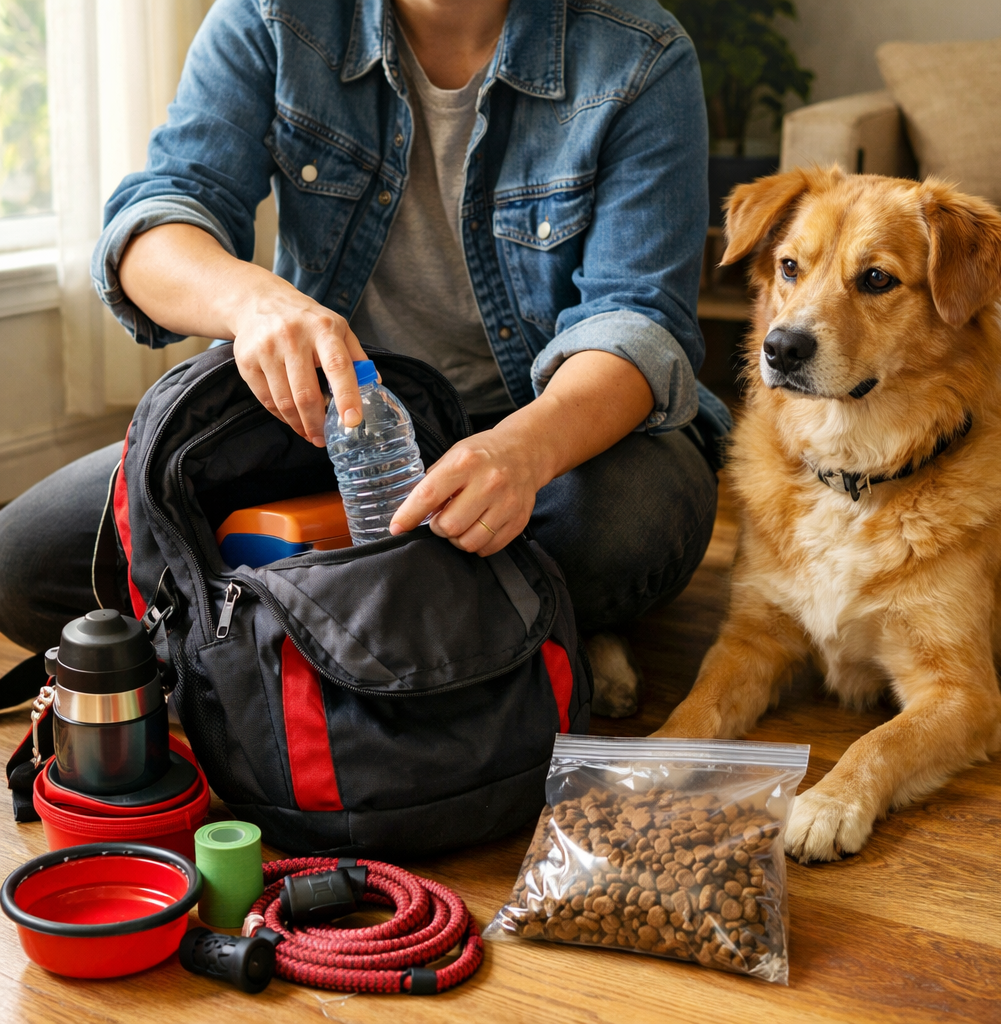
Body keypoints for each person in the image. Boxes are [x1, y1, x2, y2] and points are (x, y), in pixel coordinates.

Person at [0, 0, 728, 708]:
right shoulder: (272, 15)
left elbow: (636, 322)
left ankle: (291, 622)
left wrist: (523, 453)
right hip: (325, 427)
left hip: (545, 431)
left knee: (625, 525)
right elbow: (154, 220)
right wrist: (254, 303)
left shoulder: (640, 54)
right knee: (25, 564)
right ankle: (520, 624)